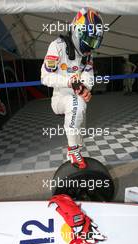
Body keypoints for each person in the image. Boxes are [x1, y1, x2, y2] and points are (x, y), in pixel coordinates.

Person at [41, 8, 104, 169]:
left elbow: (89, 77)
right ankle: (73, 150)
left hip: (77, 100)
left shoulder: (88, 55)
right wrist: (70, 82)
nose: (91, 46)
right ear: (78, 31)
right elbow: (45, 77)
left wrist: (84, 88)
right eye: (89, 40)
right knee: (77, 104)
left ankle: (77, 148)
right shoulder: (57, 46)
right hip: (59, 99)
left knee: (80, 113)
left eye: (95, 41)